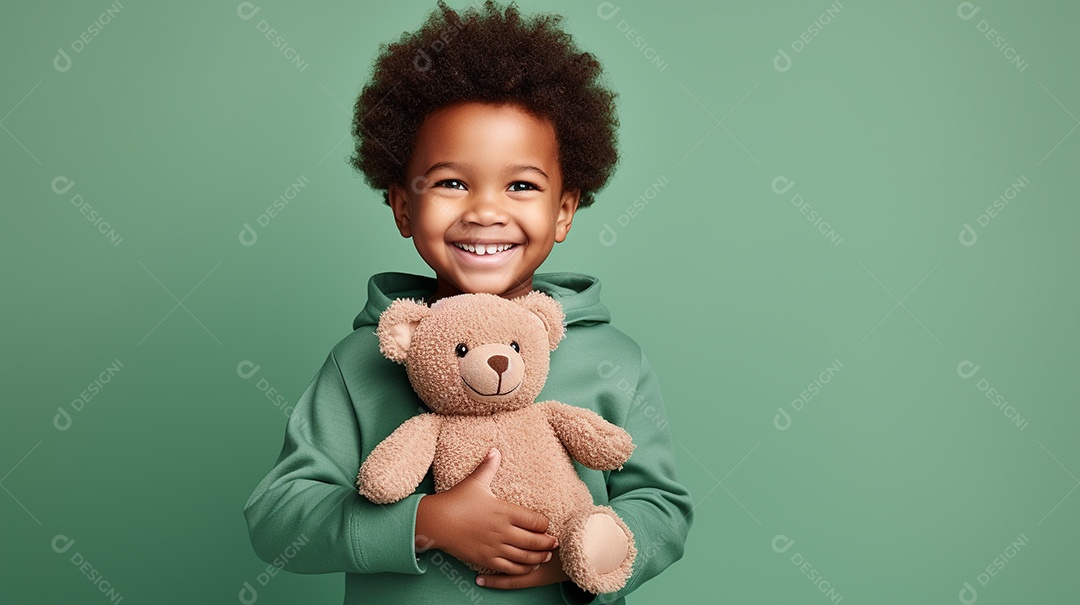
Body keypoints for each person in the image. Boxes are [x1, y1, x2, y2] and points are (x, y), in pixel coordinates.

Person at [243, 2, 692, 603]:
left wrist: (584, 555)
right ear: (403, 206)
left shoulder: (615, 361)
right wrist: (425, 523)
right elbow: (277, 518)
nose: (485, 210)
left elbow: (661, 507)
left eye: (522, 185)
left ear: (564, 210)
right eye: (452, 182)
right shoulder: (359, 363)